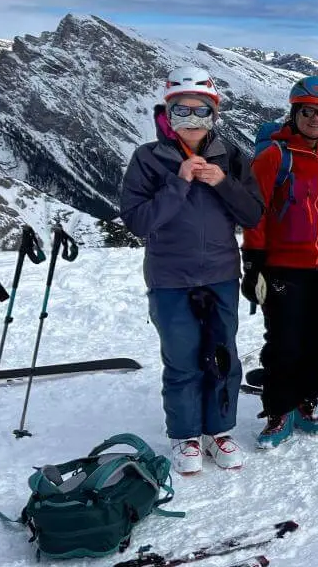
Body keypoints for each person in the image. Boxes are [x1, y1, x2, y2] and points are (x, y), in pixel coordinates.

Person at [120, 66, 263, 475]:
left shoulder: (230, 156)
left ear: (214, 114)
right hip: (170, 277)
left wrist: (223, 183)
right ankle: (186, 435)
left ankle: (219, 430)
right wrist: (178, 183)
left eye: (202, 112)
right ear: (167, 114)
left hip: (220, 272)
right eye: (182, 112)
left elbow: (253, 214)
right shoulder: (148, 159)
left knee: (223, 354)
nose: (192, 121)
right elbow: (138, 221)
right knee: (181, 357)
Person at [241, 75, 318, 449]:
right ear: (294, 113)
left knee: (315, 341)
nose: (315, 120)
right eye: (308, 112)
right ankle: (278, 411)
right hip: (283, 266)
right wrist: (254, 263)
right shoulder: (275, 156)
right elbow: (255, 212)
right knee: (283, 342)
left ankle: (305, 405)